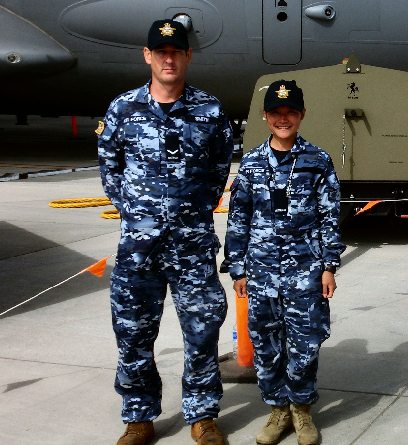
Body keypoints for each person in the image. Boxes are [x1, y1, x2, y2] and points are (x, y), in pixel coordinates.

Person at [97, 20, 233, 445]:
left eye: (176, 52)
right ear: (148, 55)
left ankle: (202, 415)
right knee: (133, 331)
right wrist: (138, 213)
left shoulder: (210, 111)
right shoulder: (123, 109)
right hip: (139, 248)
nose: (168, 59)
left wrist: (191, 212)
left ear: (188, 56)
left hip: (192, 245)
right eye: (161, 52)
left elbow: (218, 170)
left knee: (202, 330)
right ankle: (139, 417)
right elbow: (110, 169)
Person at [223, 79, 345, 445]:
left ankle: (301, 411)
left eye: (290, 112)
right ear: (265, 116)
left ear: (302, 114)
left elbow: (329, 217)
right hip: (261, 273)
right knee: (266, 344)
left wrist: (329, 266)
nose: (283, 119)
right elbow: (238, 218)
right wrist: (238, 268)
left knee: (306, 343)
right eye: (276, 112)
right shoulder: (251, 162)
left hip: (305, 271)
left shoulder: (317, 161)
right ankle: (278, 411)